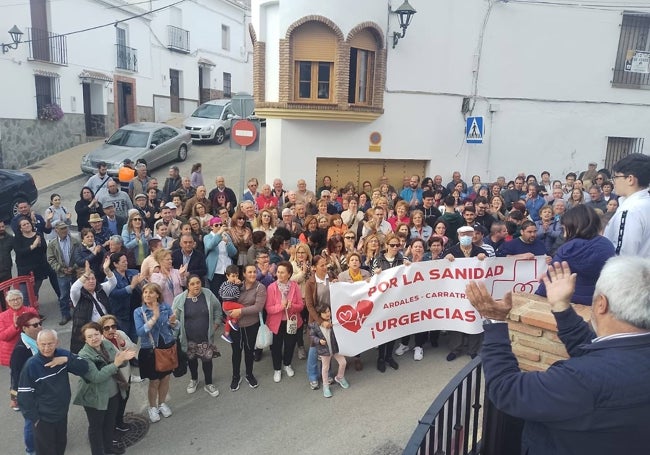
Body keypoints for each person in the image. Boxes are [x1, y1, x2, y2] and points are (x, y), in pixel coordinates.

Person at [465, 259, 650, 455]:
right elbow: (595, 351)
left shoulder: (582, 379)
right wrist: (561, 307)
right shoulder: (629, 353)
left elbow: (506, 389)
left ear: (601, 304)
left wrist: (494, 320)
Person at [17, 329, 90, 455]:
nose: (46, 348)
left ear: (57, 342)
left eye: (50, 343)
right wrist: (35, 420)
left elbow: (84, 367)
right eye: (43, 344)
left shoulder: (62, 354)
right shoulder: (31, 365)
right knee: (47, 451)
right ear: (38, 344)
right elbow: (24, 396)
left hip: (62, 414)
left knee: (60, 446)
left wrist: (66, 360)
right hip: (43, 420)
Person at [74, 322, 135, 455]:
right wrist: (116, 363)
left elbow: (120, 361)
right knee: (96, 428)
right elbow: (96, 377)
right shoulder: (84, 355)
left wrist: (124, 358)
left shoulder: (106, 344)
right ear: (84, 339)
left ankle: (108, 448)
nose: (94, 338)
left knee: (109, 423)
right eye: (89, 336)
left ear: (101, 334)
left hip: (112, 392)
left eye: (96, 334)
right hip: (94, 398)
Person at [536, 205, 615, 305]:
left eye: (565, 230)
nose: (564, 235)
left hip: (570, 300)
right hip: (598, 300)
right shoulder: (607, 245)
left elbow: (550, 281)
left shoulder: (568, 249)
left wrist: (537, 295)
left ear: (574, 227)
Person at [134, 282, 179, 423]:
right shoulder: (139, 312)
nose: (147, 295)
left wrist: (174, 322)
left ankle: (162, 403)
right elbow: (140, 332)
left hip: (167, 346)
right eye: (145, 292)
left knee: (165, 378)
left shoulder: (165, 307)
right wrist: (154, 318)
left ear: (157, 295)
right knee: (154, 381)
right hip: (150, 350)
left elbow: (176, 327)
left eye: (151, 292)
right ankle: (152, 407)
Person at [172, 274, 221, 398]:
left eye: (198, 283)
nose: (196, 286)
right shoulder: (179, 299)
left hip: (205, 337)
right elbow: (174, 320)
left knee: (207, 361)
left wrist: (215, 325)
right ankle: (194, 380)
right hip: (188, 339)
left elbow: (217, 310)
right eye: (192, 284)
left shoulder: (208, 294)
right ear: (187, 286)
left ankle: (209, 384)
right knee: (192, 361)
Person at [444, 226, 487, 361]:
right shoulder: (451, 251)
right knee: (458, 319)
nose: (466, 237)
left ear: (473, 236)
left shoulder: (480, 251)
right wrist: (445, 258)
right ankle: (455, 349)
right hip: (457, 293)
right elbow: (441, 269)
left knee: (474, 318)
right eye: (463, 234)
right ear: (458, 236)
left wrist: (485, 258)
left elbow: (491, 268)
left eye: (469, 234)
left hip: (475, 292)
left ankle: (473, 350)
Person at [603, 153, 650, 257]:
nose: (614, 182)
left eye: (616, 177)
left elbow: (622, 255)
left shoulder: (630, 210)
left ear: (630, 179)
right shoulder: (645, 203)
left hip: (630, 271)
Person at [98, 314, 138, 433]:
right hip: (113, 379)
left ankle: (119, 422)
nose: (111, 330)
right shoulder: (100, 342)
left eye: (113, 326)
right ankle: (113, 426)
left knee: (124, 400)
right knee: (114, 405)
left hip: (126, 375)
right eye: (106, 328)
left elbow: (134, 350)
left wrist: (123, 343)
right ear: (101, 330)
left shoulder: (121, 334)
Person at [265, 261, 304, 383]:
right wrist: (281, 307)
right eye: (278, 272)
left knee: (290, 344)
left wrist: (292, 306)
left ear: (289, 274)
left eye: (283, 272)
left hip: (291, 321)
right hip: (276, 322)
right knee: (276, 347)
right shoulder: (271, 287)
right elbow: (269, 308)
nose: (279, 275)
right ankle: (277, 369)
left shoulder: (294, 286)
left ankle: (287, 364)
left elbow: (301, 306)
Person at [9, 313, 42, 454]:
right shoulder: (21, 350)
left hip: (40, 388)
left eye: (40, 323)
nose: (39, 327)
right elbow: (15, 376)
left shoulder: (37, 341)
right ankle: (31, 450)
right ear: (24, 328)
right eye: (35, 325)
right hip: (28, 393)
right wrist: (15, 397)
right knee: (31, 422)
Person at [229, 264, 265, 389]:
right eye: (249, 272)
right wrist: (231, 313)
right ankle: (235, 376)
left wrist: (240, 311)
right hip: (235, 325)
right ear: (243, 274)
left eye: (255, 272)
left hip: (251, 325)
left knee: (249, 351)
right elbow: (226, 302)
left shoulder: (260, 287)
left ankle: (249, 374)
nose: (252, 274)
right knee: (236, 352)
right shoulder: (236, 286)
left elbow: (258, 307)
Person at [375, 233, 406, 372]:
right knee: (383, 330)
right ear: (386, 245)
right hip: (382, 301)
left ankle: (389, 356)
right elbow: (372, 278)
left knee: (393, 330)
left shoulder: (403, 259)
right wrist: (375, 273)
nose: (394, 247)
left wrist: (409, 266)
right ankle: (380, 357)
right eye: (392, 245)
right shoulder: (378, 260)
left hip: (397, 300)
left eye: (397, 245)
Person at [70, 258, 116, 353]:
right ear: (82, 282)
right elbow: (74, 289)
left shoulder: (101, 289)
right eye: (87, 279)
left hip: (107, 328)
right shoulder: (78, 295)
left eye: (93, 278)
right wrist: (85, 274)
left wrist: (107, 270)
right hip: (92, 332)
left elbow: (113, 282)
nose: (91, 281)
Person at [309, 304, 349, 398]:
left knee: (343, 362)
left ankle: (340, 377)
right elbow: (311, 336)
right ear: (319, 314)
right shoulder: (315, 325)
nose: (327, 314)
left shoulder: (333, 322)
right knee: (325, 368)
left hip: (335, 348)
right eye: (324, 312)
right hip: (324, 351)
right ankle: (325, 386)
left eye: (328, 311)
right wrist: (319, 341)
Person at [47, 221, 82, 326]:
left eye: (65, 228)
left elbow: (79, 255)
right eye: (62, 229)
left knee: (78, 292)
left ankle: (79, 313)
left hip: (75, 272)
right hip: (62, 274)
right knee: (64, 296)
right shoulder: (52, 244)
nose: (64, 231)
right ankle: (65, 315)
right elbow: (50, 259)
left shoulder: (75, 241)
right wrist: (61, 269)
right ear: (56, 230)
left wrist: (74, 267)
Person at [13, 217, 53, 310]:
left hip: (38, 269)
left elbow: (44, 249)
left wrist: (39, 245)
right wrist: (33, 246)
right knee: (25, 294)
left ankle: (34, 311)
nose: (27, 225)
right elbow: (19, 252)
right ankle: (27, 313)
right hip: (24, 270)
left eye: (28, 223)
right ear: (20, 228)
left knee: (34, 293)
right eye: (24, 225)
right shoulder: (17, 238)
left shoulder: (38, 235)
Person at [0, 290, 38, 367]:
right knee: (18, 376)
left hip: (31, 347)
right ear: (8, 302)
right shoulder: (2, 316)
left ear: (22, 299)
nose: (16, 302)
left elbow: (37, 328)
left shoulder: (31, 311)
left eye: (18, 298)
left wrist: (25, 323)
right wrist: (14, 326)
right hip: (13, 351)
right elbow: (3, 336)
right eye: (12, 300)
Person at [218, 265, 244, 343]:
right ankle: (234, 321)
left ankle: (226, 334)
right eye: (233, 276)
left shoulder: (226, 284)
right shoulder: (228, 285)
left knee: (229, 317)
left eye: (237, 276)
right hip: (228, 303)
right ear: (227, 276)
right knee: (242, 308)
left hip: (228, 303)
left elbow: (220, 292)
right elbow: (230, 293)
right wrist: (237, 286)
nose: (235, 278)